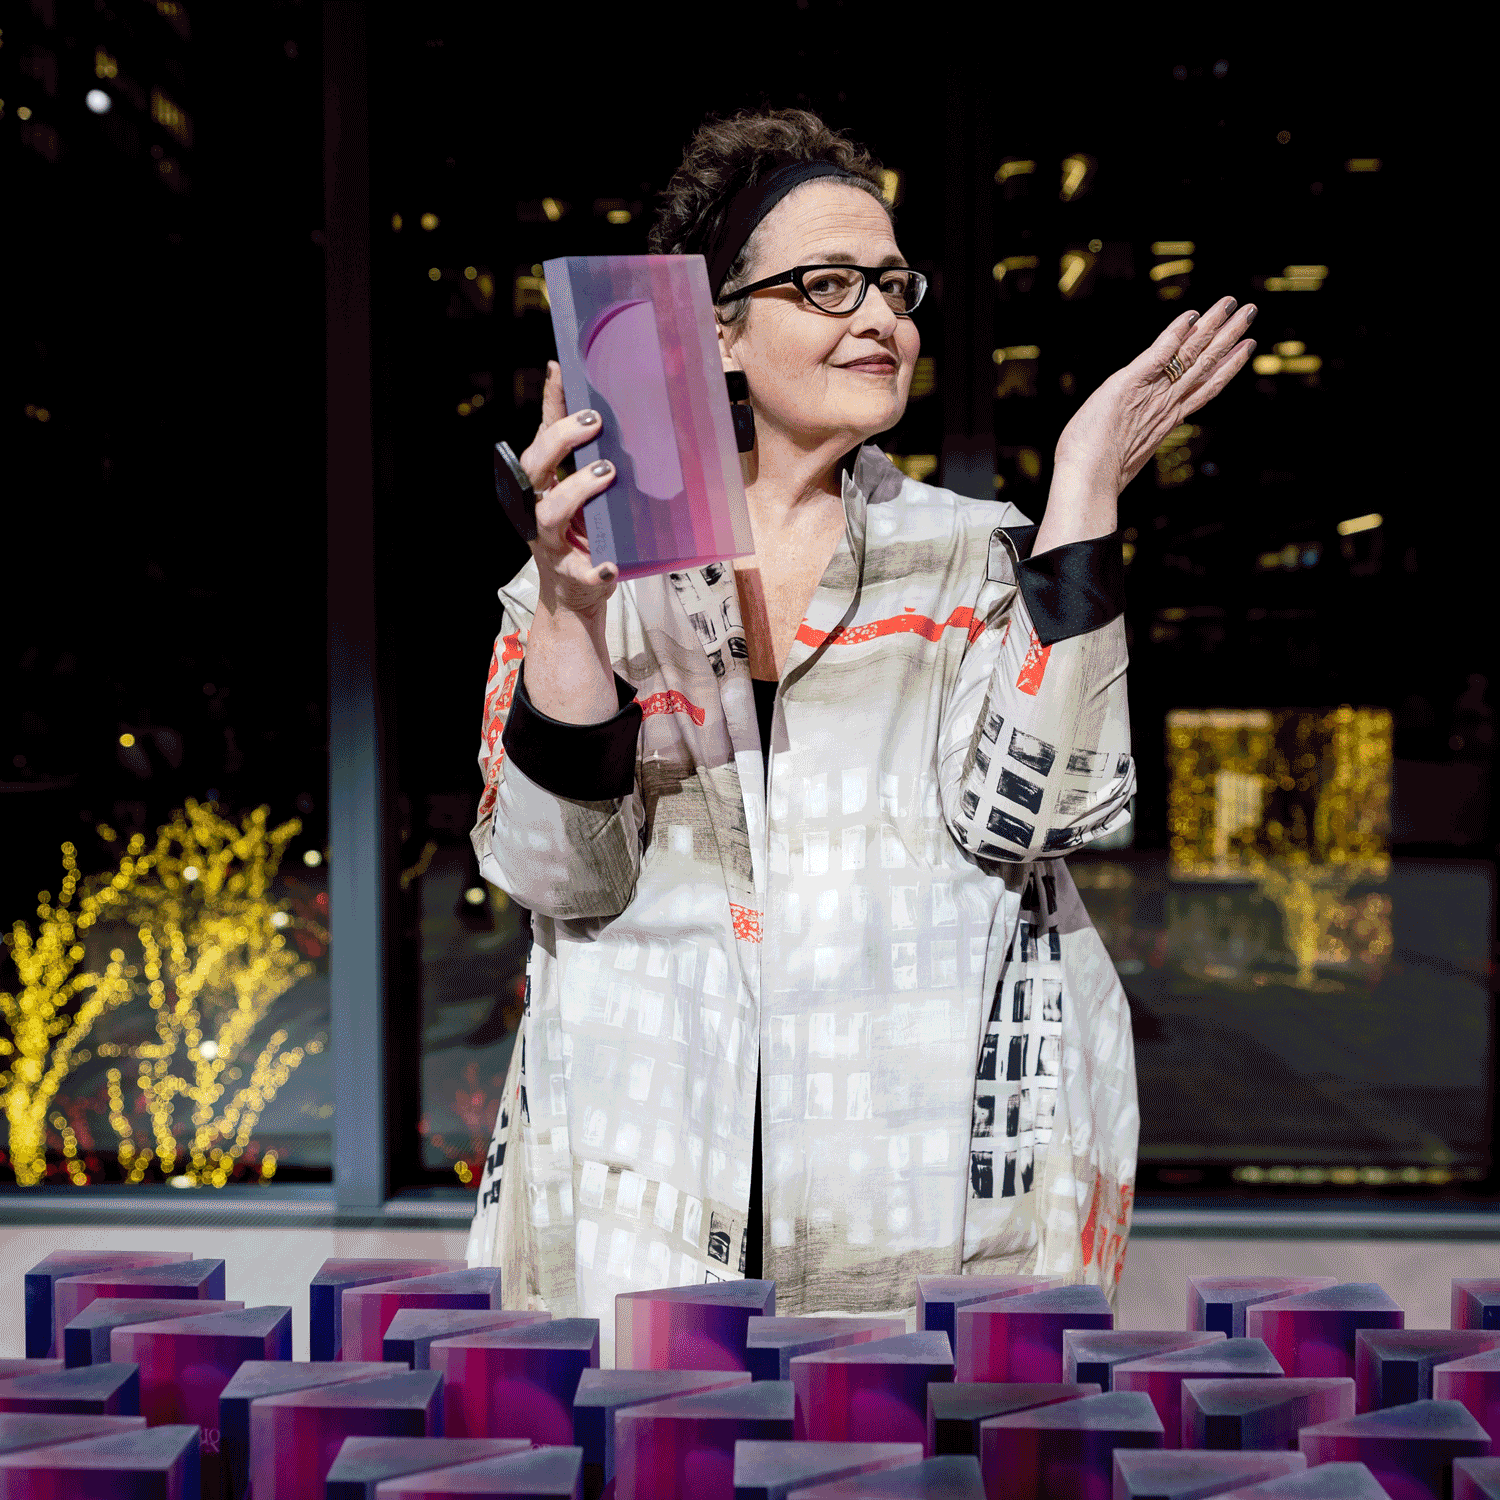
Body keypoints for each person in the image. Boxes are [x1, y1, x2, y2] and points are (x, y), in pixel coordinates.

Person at [465, 107, 1256, 1356]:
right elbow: (557, 871)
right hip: (647, 1195)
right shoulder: (602, 568)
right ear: (716, 330)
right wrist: (568, 608)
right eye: (828, 285)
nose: (881, 318)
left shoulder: (974, 552)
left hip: (933, 1212)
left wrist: (1085, 490)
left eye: (893, 284)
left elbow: (1040, 813)